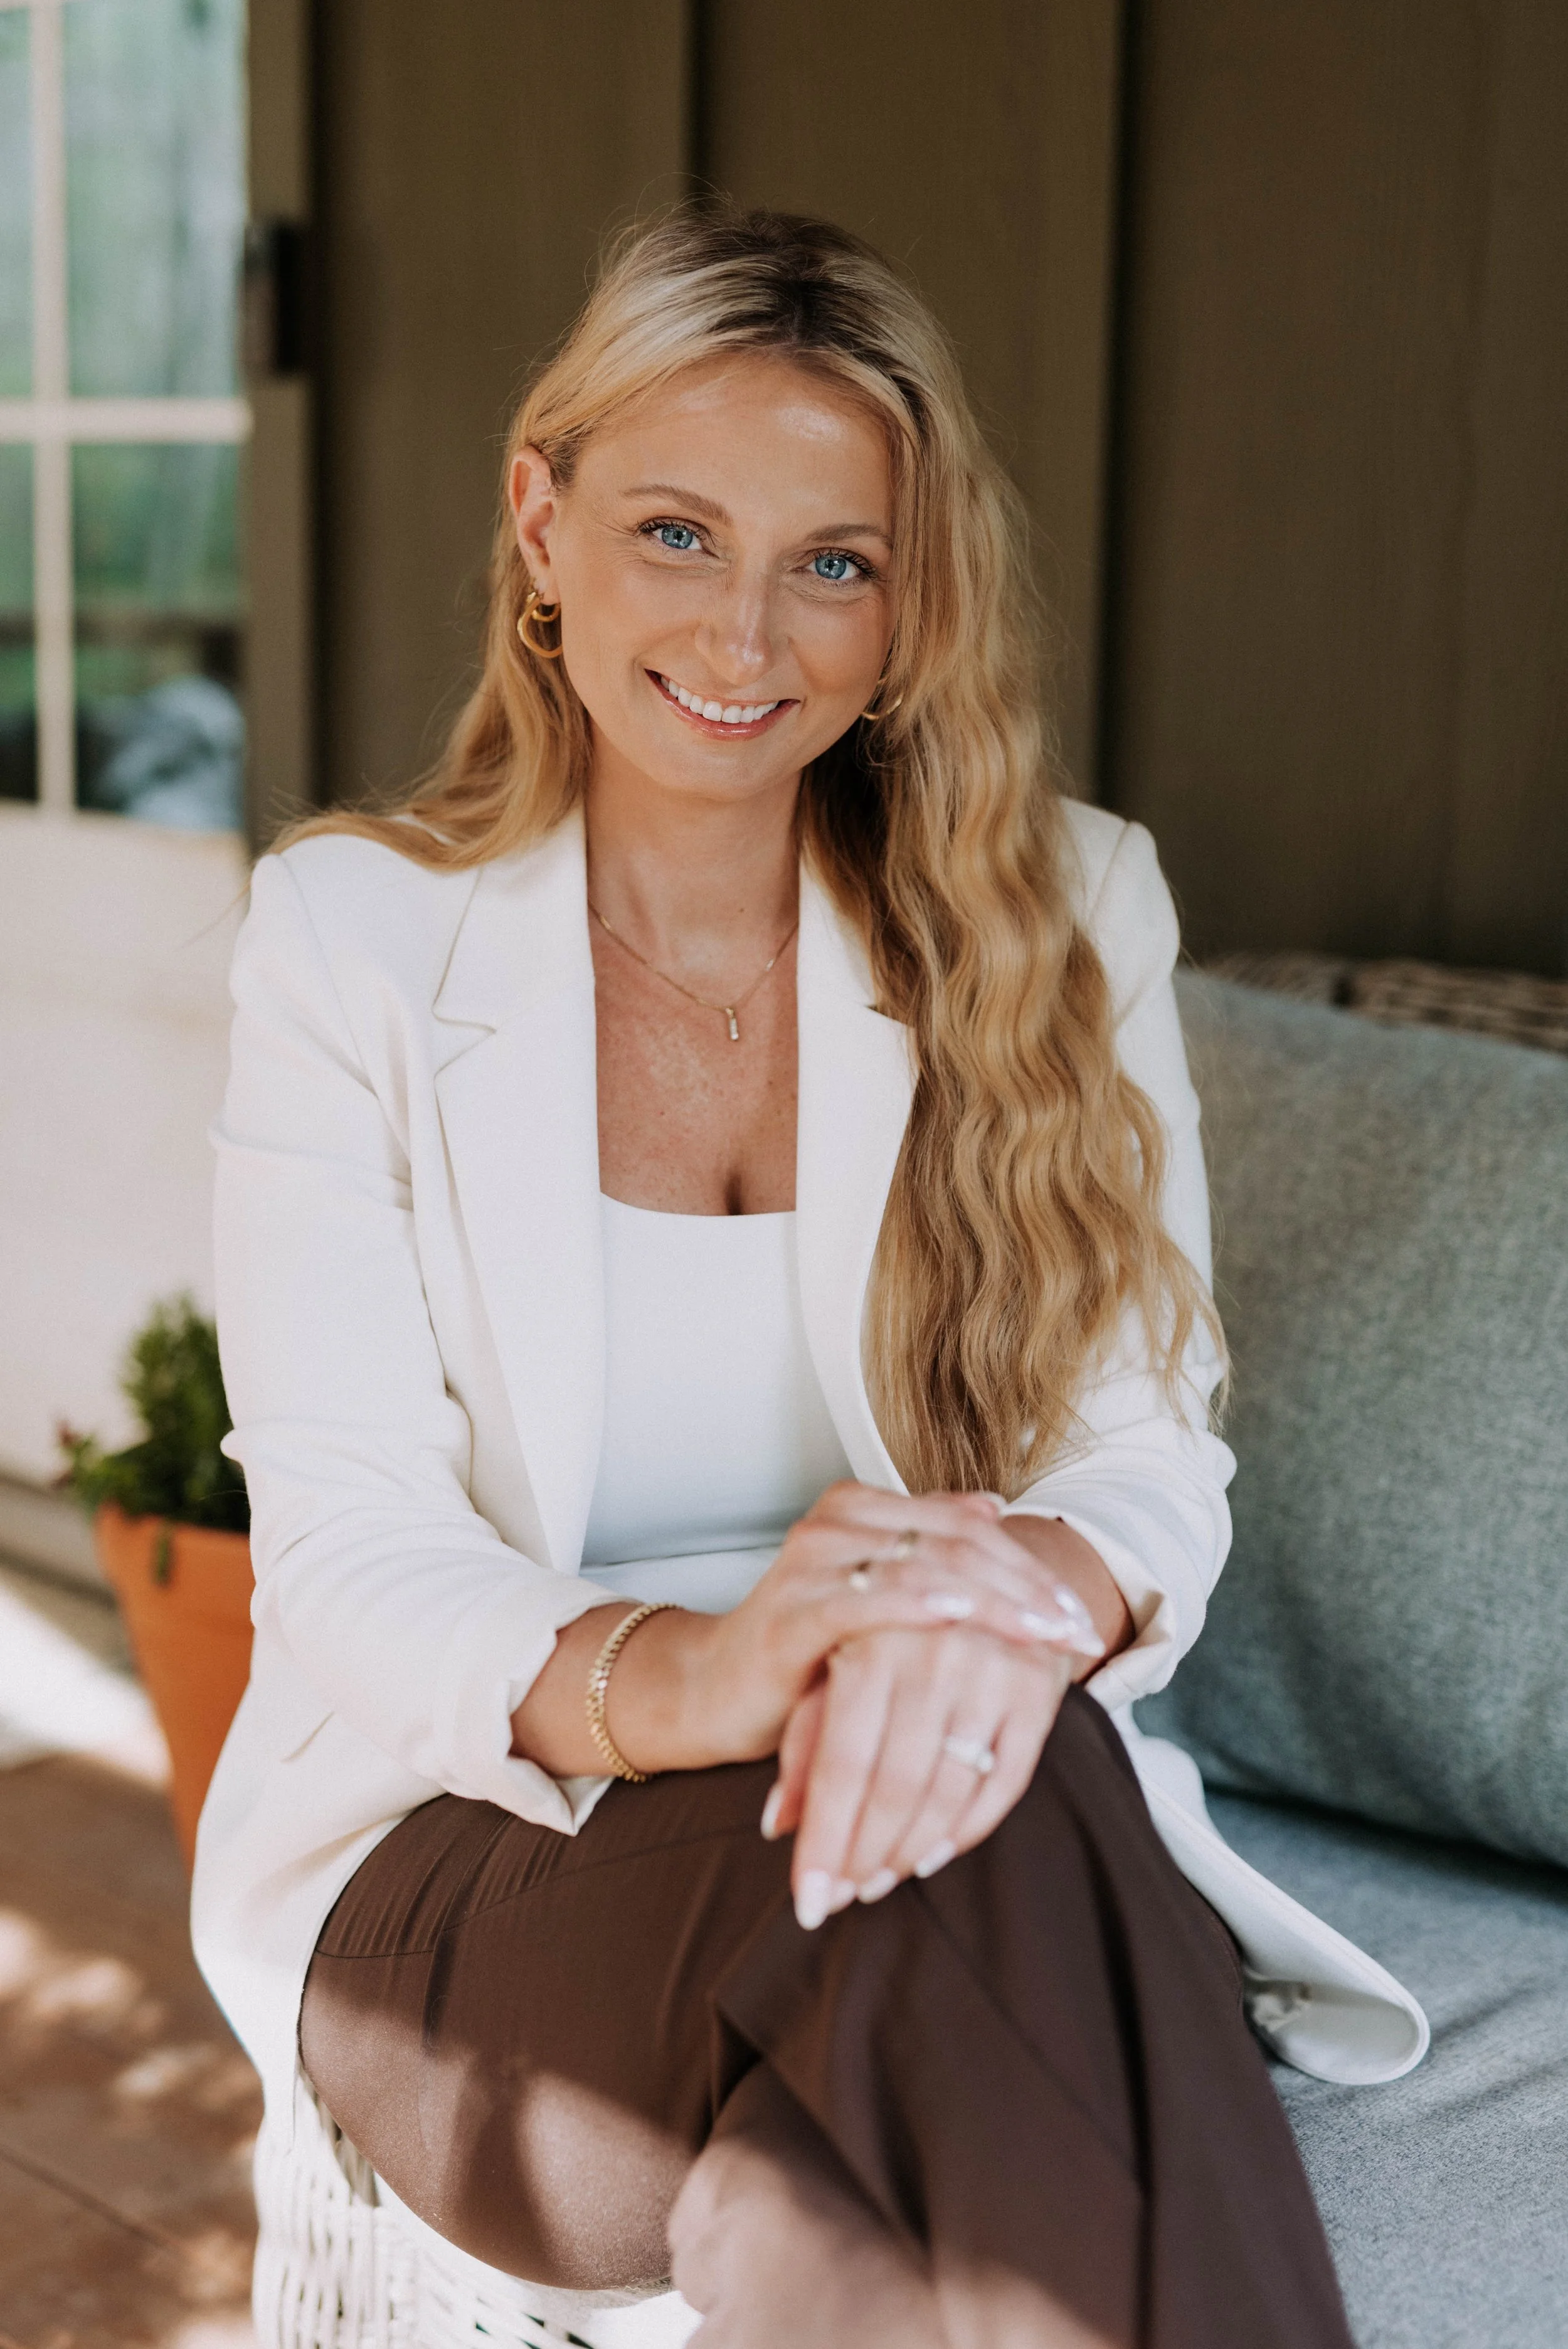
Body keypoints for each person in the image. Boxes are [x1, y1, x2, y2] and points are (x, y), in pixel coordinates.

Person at [194, 207, 1363, 2347]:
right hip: (486, 1835)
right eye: (674, 532)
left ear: (907, 604)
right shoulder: (351, 942)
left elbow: (1139, 1453)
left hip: (939, 1776)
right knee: (997, 1808)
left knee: (964, 1850)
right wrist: (716, 1678)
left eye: (832, 559)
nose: (749, 631)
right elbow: (347, 1559)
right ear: (539, 527)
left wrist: (1004, 1615)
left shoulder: (1069, 914)